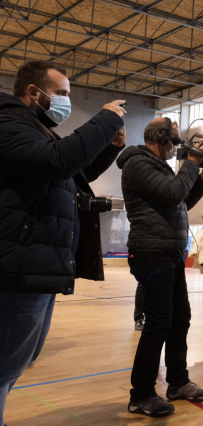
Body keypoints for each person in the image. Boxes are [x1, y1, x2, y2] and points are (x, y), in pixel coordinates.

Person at [0, 60, 126, 424]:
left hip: (35, 265)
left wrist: (108, 148)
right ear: (33, 92)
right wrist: (104, 120)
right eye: (62, 94)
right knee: (5, 362)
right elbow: (58, 163)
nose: (66, 102)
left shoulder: (35, 130)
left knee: (16, 360)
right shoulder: (9, 124)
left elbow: (70, 174)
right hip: (17, 267)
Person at [118, 117, 203, 417]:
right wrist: (191, 161)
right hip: (151, 251)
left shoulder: (160, 167)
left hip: (170, 251)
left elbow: (180, 202)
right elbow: (173, 193)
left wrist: (202, 176)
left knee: (180, 319)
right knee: (159, 322)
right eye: (176, 139)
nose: (180, 146)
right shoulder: (138, 163)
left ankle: (177, 383)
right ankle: (141, 394)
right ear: (161, 137)